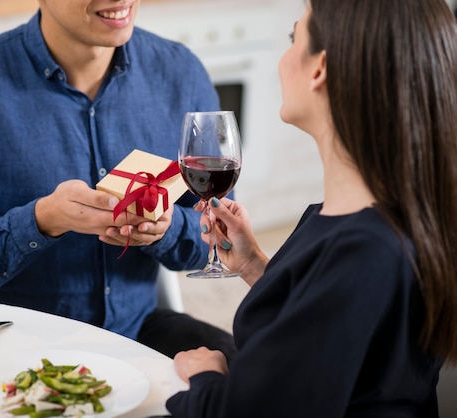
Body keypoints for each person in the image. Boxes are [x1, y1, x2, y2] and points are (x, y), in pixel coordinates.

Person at [0, 0, 237, 361]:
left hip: (136, 333)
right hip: (13, 347)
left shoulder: (180, 72)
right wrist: (40, 222)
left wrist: (163, 230)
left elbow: (218, 239)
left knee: (260, 380)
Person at [166, 0, 457, 416]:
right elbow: (328, 326)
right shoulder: (370, 222)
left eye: (293, 37)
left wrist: (208, 374)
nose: (285, 57)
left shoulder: (365, 252)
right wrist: (254, 266)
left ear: (319, 68)